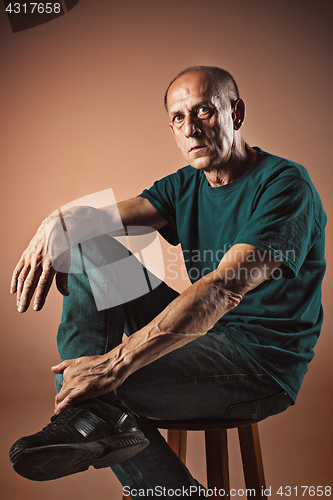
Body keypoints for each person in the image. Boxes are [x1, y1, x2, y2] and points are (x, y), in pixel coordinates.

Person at [9, 66, 326, 498]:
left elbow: (222, 289)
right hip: (204, 337)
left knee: (85, 383)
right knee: (90, 245)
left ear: (236, 112)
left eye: (204, 112)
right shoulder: (186, 184)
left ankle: (100, 427)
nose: (191, 128)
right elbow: (96, 221)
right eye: (178, 118)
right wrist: (56, 222)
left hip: (261, 364)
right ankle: (88, 415)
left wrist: (115, 362)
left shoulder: (285, 185)